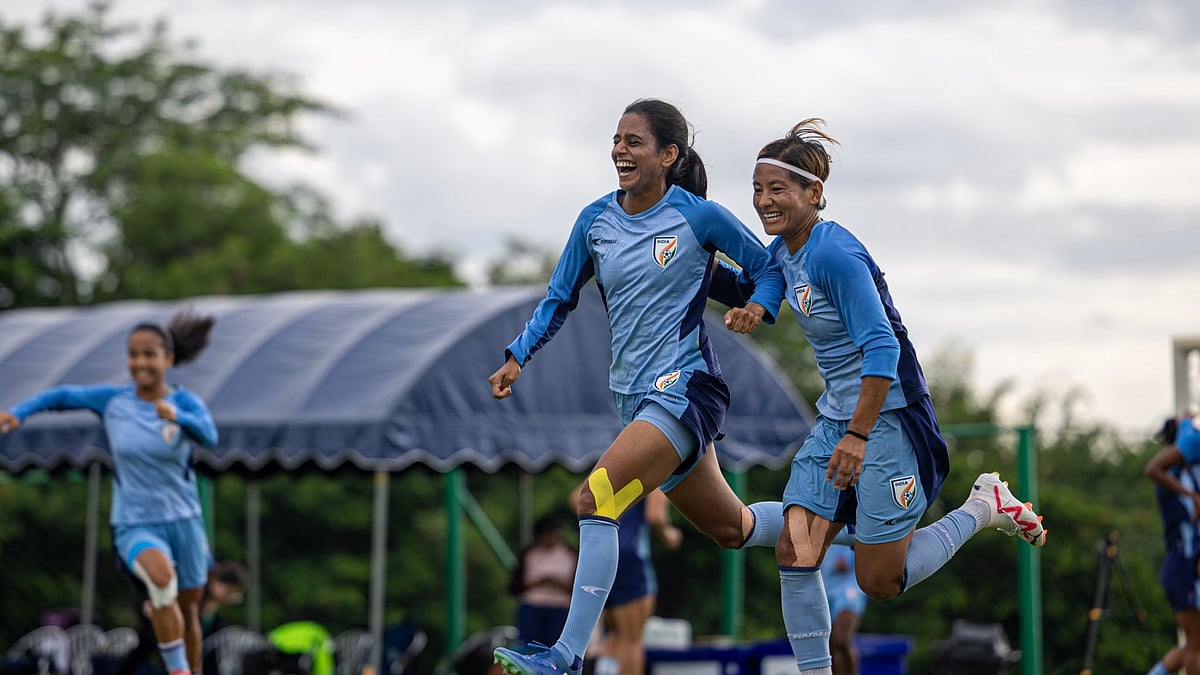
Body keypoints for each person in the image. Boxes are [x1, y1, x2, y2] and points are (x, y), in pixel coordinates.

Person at [720, 119, 1047, 674]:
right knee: (796, 551)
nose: (763, 201)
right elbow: (773, 278)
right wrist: (757, 307)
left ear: (813, 193)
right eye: (757, 188)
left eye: (778, 189)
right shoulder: (787, 251)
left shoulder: (835, 255)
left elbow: (882, 350)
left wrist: (857, 435)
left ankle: (982, 506)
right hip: (837, 417)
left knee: (879, 580)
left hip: (888, 418)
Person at [489, 98, 788, 675]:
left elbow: (769, 267)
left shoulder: (700, 216)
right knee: (735, 528)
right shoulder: (595, 220)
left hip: (687, 387)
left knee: (595, 499)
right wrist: (516, 356)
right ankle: (847, 526)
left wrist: (758, 306)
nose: (620, 151)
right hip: (636, 402)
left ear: (667, 155)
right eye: (617, 140)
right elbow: (559, 297)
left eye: (634, 142)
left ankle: (565, 657)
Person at [0, 309, 218, 675]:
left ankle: (189, 671)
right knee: (161, 581)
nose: (139, 362)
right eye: (133, 354)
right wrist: (18, 412)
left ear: (168, 358)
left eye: (149, 354)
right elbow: (64, 395)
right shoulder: (113, 401)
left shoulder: (186, 403)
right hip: (135, 523)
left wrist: (177, 418)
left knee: (189, 608)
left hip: (185, 522)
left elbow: (210, 436)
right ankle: (179, 671)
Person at [586, 489, 682, 675]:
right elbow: (655, 516)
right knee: (632, 640)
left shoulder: (615, 465)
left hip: (602, 551)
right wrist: (670, 535)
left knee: (616, 636)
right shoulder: (656, 470)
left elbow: (577, 499)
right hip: (630, 555)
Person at [1143, 409, 1200, 675]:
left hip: (1183, 567)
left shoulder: (1182, 476)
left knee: (1192, 645)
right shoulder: (1175, 479)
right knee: (1196, 649)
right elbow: (1154, 467)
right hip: (1183, 567)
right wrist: (1187, 421)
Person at [509, 514, 578, 648]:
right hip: (532, 606)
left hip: (560, 607)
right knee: (528, 645)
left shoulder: (570, 554)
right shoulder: (529, 554)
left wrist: (558, 583)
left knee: (556, 646)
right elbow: (514, 586)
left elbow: (577, 586)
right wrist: (538, 582)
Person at [821, 543, 866, 675]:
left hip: (849, 592)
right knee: (828, 647)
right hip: (824, 591)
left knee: (841, 641)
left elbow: (843, 565)